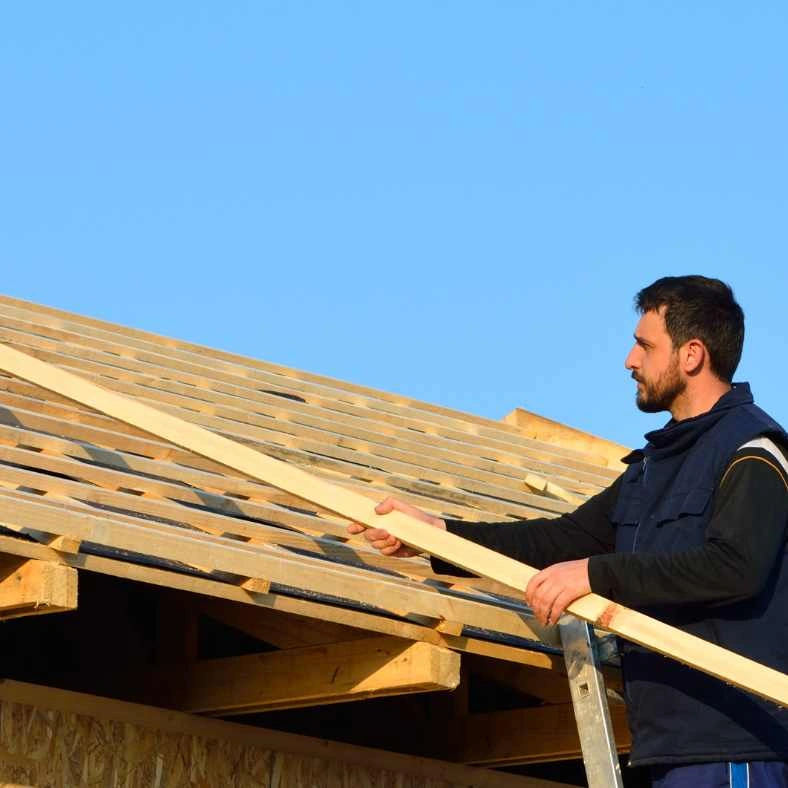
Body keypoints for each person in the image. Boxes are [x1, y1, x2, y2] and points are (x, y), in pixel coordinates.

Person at [348, 276, 788, 788]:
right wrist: (435, 535)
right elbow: (557, 542)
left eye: (645, 345)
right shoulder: (652, 468)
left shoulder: (754, 451)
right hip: (663, 745)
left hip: (735, 746)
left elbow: (735, 567)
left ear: (692, 355)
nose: (629, 359)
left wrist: (596, 575)